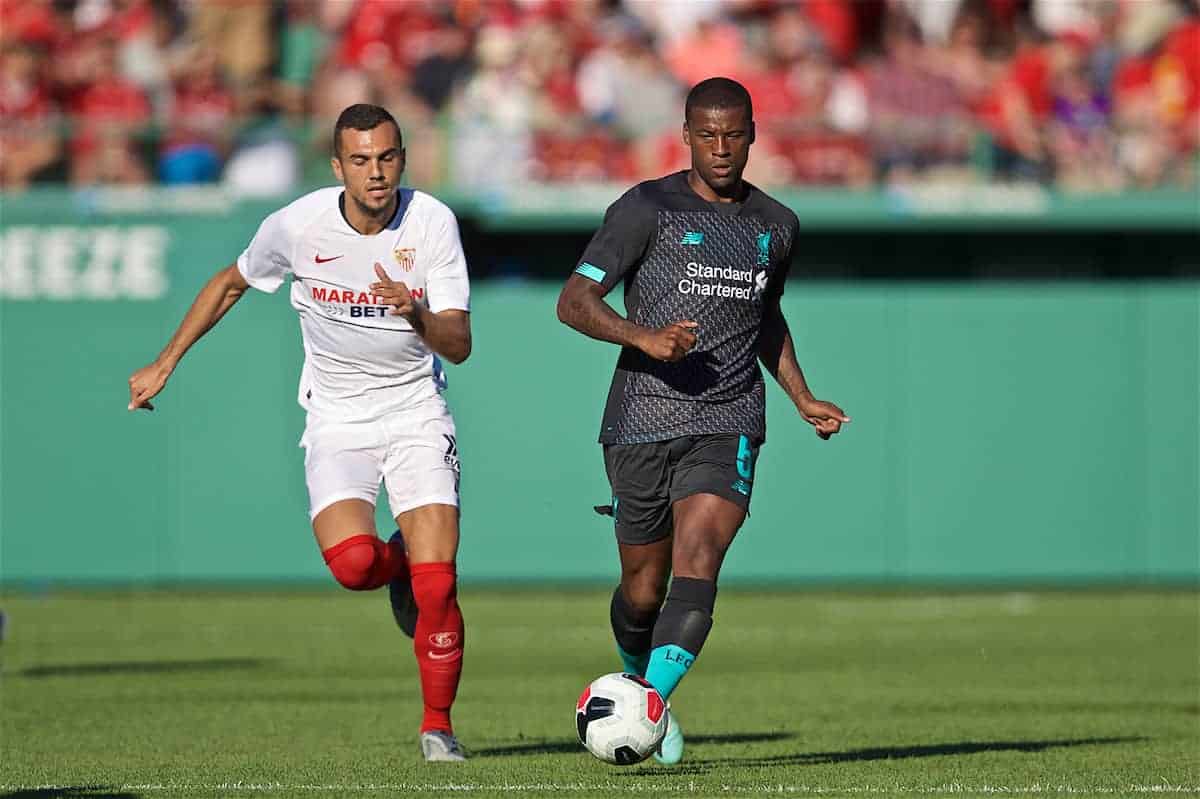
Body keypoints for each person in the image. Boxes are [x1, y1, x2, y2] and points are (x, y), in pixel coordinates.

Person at [127, 104, 471, 762]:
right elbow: (231, 283)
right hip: (337, 417)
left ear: (403, 157)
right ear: (338, 166)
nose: (377, 173)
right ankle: (396, 562)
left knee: (439, 584)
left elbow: (458, 343)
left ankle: (438, 727)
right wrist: (166, 361)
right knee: (356, 564)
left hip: (414, 412)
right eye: (362, 160)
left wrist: (416, 312)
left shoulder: (432, 223)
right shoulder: (297, 224)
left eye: (388, 157)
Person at [555, 77, 849, 765]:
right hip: (642, 417)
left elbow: (764, 315)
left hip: (731, 413)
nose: (721, 148)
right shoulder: (646, 208)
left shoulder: (776, 225)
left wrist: (801, 396)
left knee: (701, 556)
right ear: (686, 135)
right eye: (707, 134)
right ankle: (639, 678)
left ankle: (647, 704)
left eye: (734, 134)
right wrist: (644, 337)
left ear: (752, 134)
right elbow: (574, 300)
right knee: (643, 590)